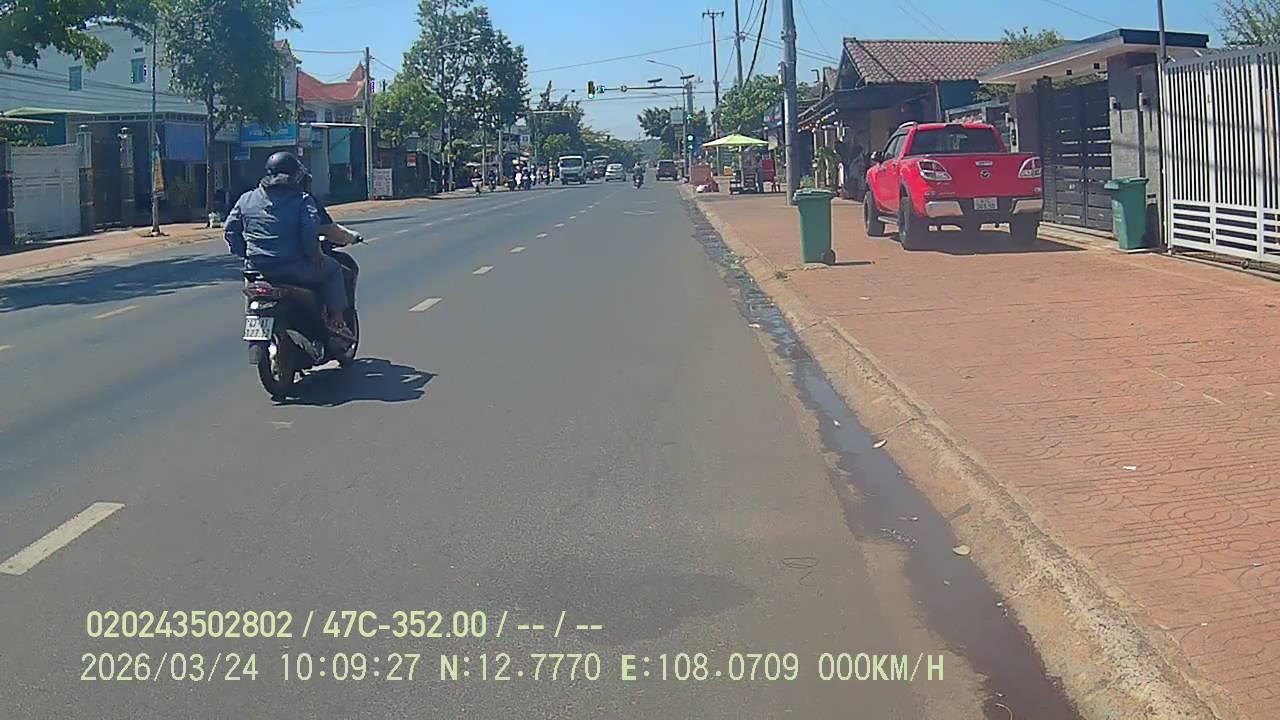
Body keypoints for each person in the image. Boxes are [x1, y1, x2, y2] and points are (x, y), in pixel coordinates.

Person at [224, 151, 353, 343]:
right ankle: (337, 320)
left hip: (258, 271)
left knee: (251, 295)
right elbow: (310, 231)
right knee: (334, 269)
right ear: (295, 175)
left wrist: (245, 254)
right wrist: (313, 254)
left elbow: (230, 231)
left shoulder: (246, 199)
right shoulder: (302, 200)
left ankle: (256, 324)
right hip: (296, 269)